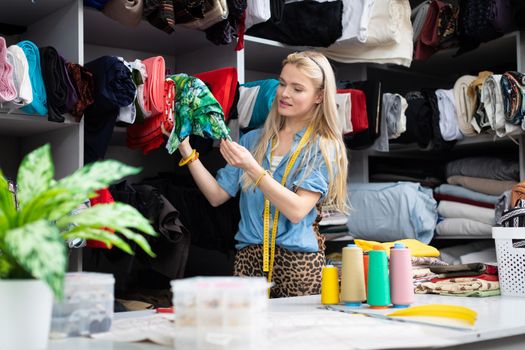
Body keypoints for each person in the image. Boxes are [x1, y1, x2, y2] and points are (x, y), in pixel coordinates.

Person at [177, 51, 349, 298]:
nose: (284, 93)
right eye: (282, 83)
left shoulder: (322, 146)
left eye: (297, 88)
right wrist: (185, 149)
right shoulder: (252, 140)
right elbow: (216, 196)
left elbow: (298, 210)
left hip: (298, 264)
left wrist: (252, 168)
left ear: (319, 96)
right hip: (249, 260)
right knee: (248, 336)